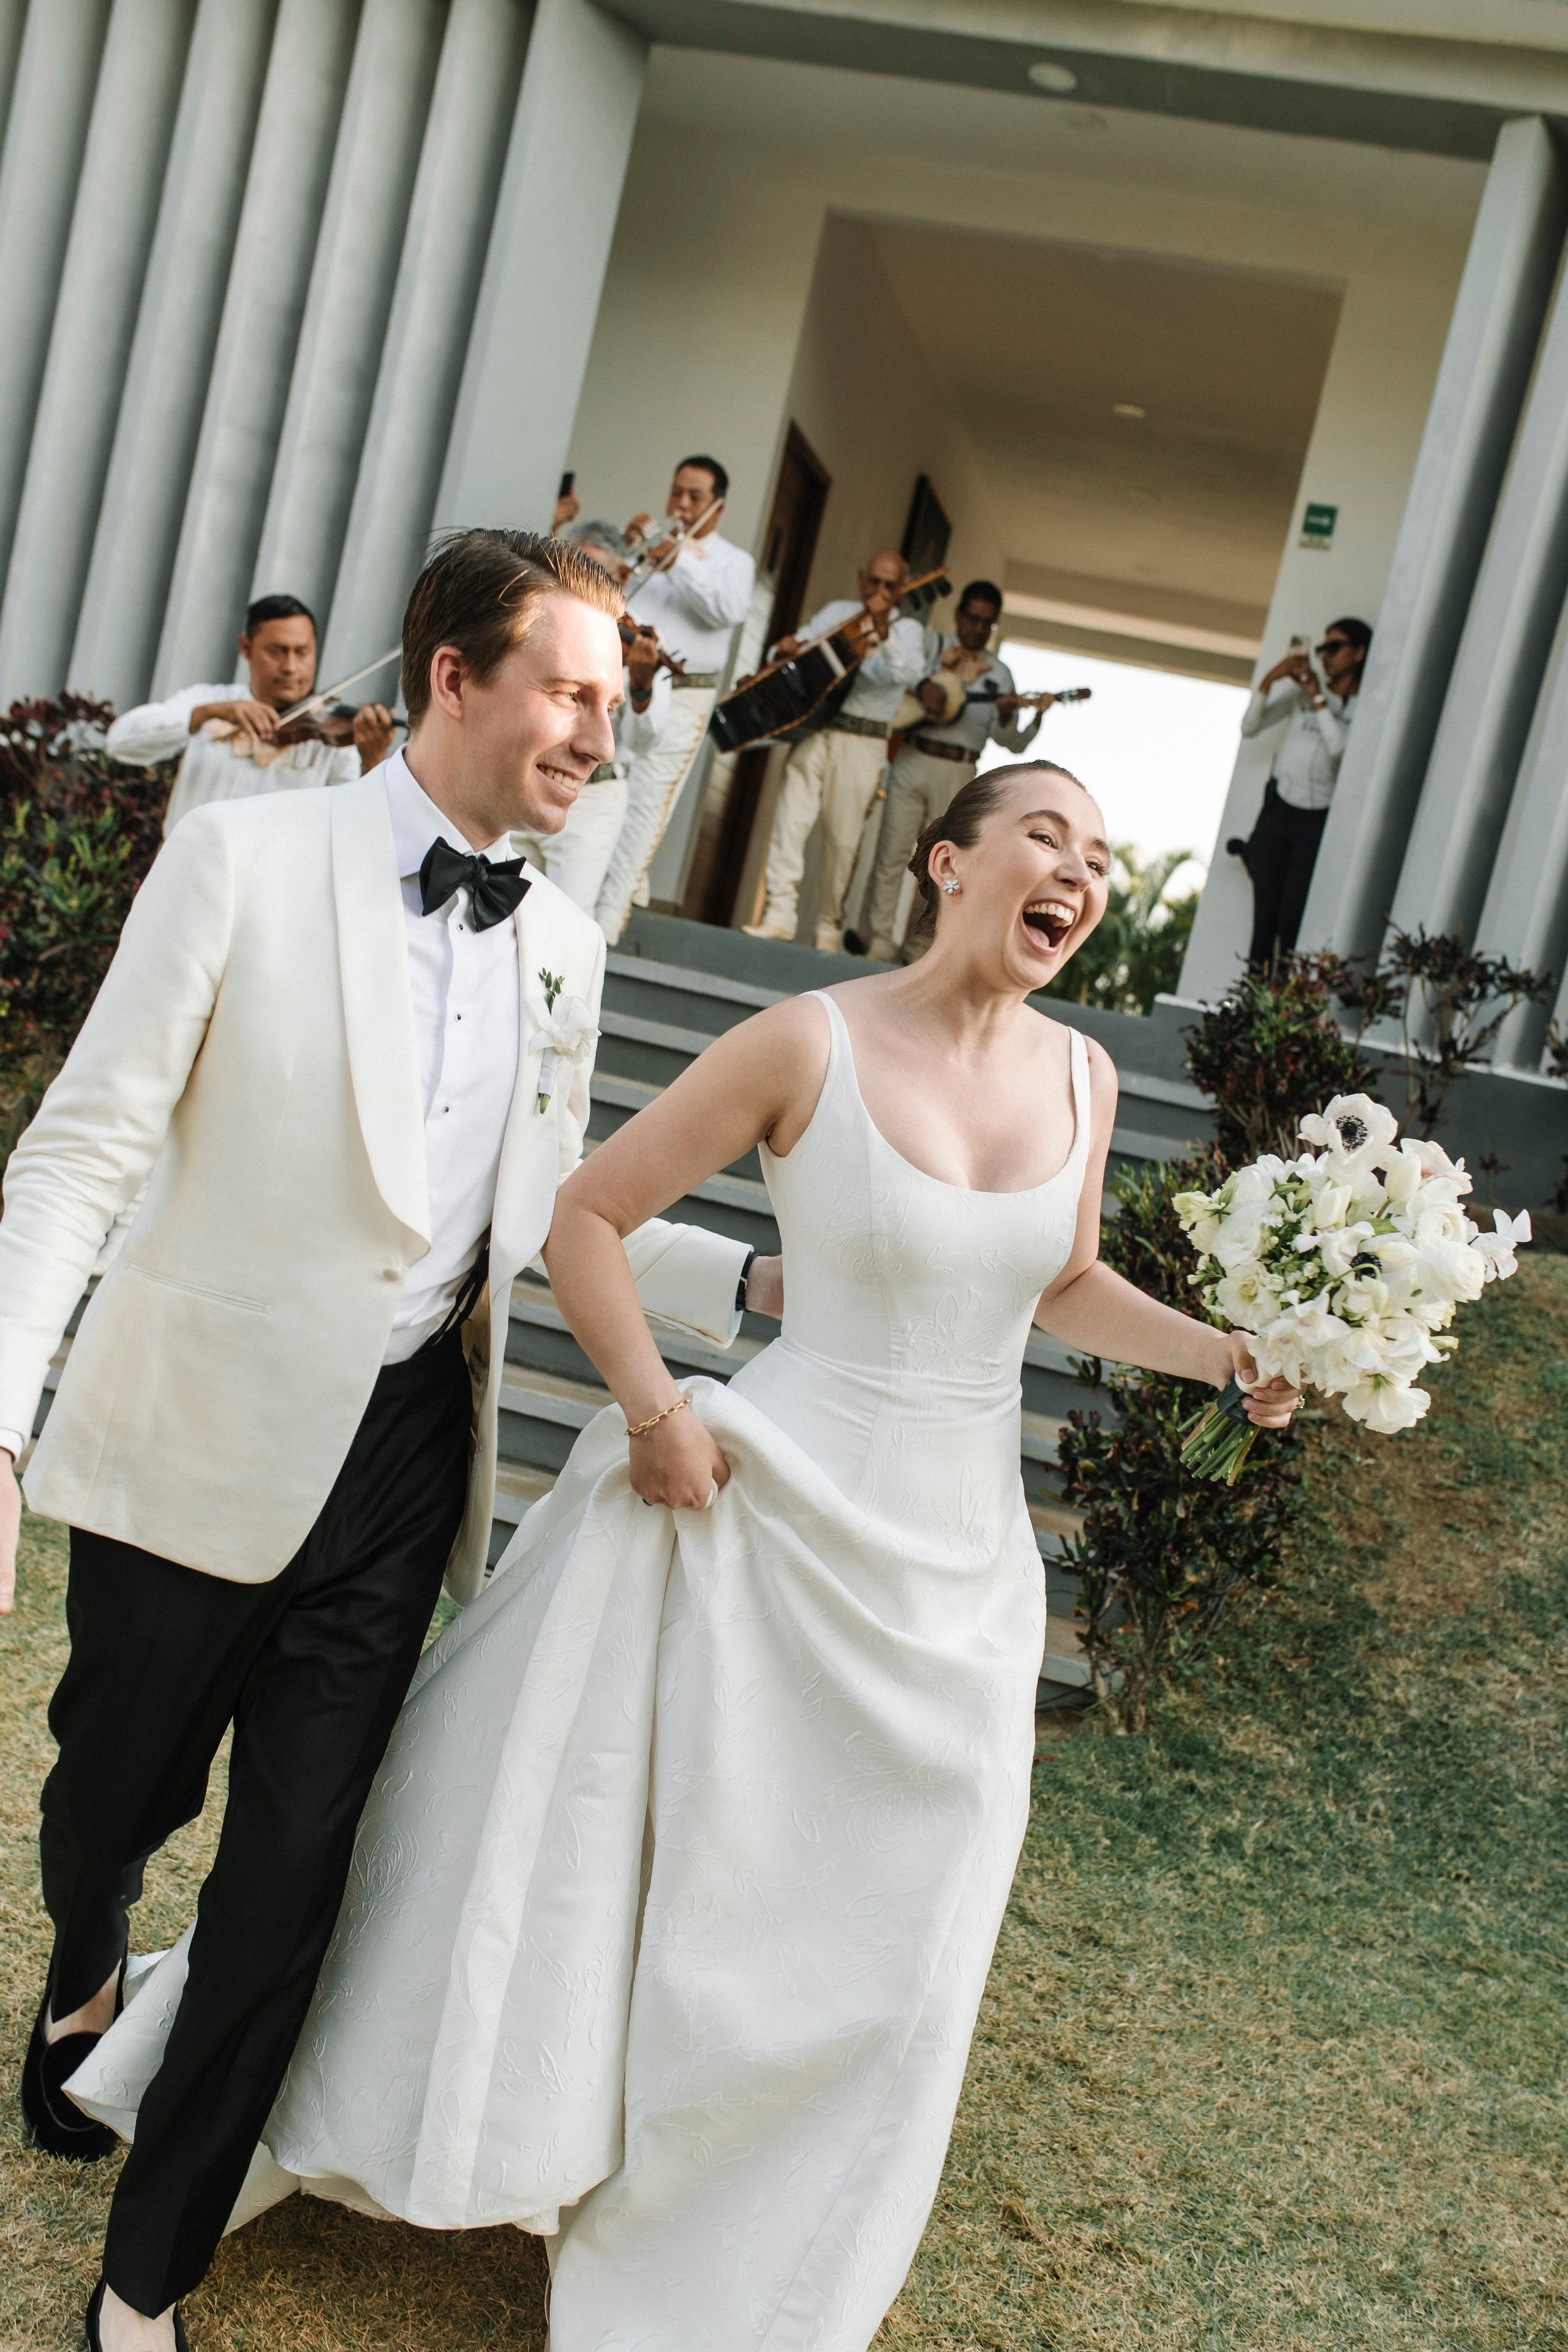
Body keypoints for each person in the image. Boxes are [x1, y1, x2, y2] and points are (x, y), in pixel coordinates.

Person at [69, 760, 1302, 2352]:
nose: (1080, 868)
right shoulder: (808, 1039)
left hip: (962, 1568)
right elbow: (586, 1214)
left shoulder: (1085, 1080)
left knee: (890, 1939)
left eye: (1103, 849)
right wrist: (657, 1411)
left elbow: (1057, 1285)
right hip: (757, 1512)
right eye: (1047, 835)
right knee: (681, 1895)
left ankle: (758, 2265)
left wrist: (1227, 1354)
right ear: (947, 861)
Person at [1, 528, 776, 2352]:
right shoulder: (240, 858)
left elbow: (540, 1211)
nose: (602, 729)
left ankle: (147, 2272)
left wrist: (770, 1273)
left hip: (410, 1446)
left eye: (615, 699)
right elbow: (84, 1151)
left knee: (293, 1871)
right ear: (453, 676)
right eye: (573, 689)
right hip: (195, 1419)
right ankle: (90, 1947)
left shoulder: (564, 944)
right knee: (111, 1787)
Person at [592, 455, 756, 941]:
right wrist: (626, 557)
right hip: (626, 684)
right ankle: (600, 894)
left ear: (718, 507)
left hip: (683, 695)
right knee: (606, 788)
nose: (681, 504)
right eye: (676, 492)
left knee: (646, 802)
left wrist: (679, 558)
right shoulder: (651, 546)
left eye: (695, 497)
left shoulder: (734, 563)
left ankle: (606, 925)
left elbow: (725, 610)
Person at [852, 576, 1049, 962]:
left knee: (943, 863)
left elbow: (1009, 742)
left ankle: (920, 946)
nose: (977, 629)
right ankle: (876, 939)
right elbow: (901, 681)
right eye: (972, 619)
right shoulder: (931, 647)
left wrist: (1014, 718)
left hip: (959, 773)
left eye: (986, 623)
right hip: (913, 756)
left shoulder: (1000, 673)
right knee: (892, 851)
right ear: (958, 615)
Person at [742, 549, 927, 950]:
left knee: (844, 840)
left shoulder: (908, 632)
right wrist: (784, 651)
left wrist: (881, 631)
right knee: (791, 819)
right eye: (874, 581)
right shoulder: (836, 612)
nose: (879, 590)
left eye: (889, 585)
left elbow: (901, 673)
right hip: (816, 728)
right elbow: (796, 650)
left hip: (864, 742)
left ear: (902, 588)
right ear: (862, 579)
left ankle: (827, 927)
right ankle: (779, 913)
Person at [106, 593, 397, 835]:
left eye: (302, 652)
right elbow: (120, 742)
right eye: (277, 652)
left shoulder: (334, 739)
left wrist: (372, 757)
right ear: (246, 648)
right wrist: (209, 713)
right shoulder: (210, 701)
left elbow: (354, 830)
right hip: (182, 878)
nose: (291, 667)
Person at [510, 522, 672, 913]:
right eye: (570, 566)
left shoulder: (643, 638)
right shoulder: (543, 620)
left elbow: (644, 741)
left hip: (594, 795)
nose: (577, 578)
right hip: (532, 779)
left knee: (563, 920)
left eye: (591, 567)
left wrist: (642, 686)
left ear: (622, 576)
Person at [1227, 617, 1371, 968]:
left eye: (1335, 648)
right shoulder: (1298, 699)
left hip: (1316, 819)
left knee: (1292, 921)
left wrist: (1318, 698)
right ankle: (1251, 1008)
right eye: (1322, 649)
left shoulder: (1364, 709)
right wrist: (1269, 679)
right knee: (1265, 920)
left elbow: (1340, 752)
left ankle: (1283, 1010)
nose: (1325, 656)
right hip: (1279, 810)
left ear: (1359, 653)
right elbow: (1249, 728)